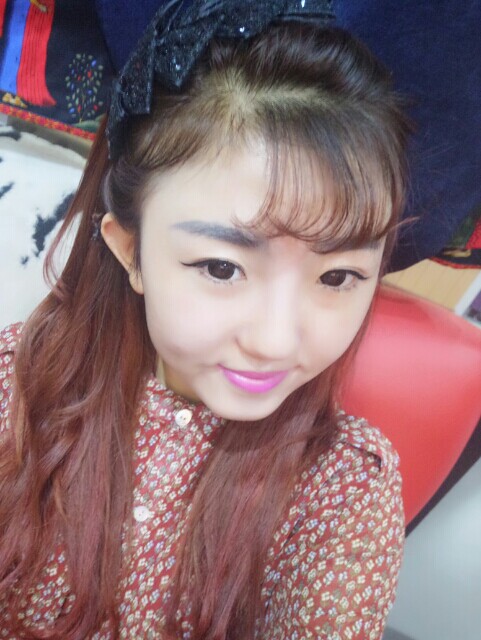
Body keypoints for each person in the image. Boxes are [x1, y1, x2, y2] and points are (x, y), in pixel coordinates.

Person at [0, 1, 411, 638]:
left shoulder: (343, 492)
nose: (274, 341)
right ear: (131, 251)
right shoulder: (15, 385)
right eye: (222, 268)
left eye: (337, 278)